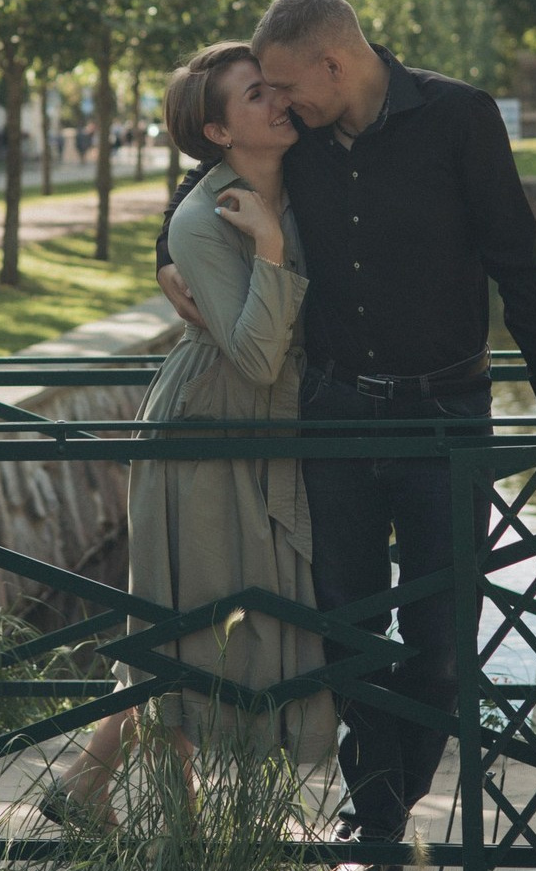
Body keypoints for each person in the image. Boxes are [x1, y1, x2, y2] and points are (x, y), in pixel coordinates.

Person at [156, 0, 536, 871]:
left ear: (335, 64)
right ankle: (374, 833)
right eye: (272, 95)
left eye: (289, 87)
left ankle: (385, 804)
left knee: (444, 644)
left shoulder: (460, 118)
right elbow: (201, 185)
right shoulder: (303, 146)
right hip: (332, 418)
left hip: (447, 421)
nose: (281, 106)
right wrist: (162, 259)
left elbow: (516, 258)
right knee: (349, 633)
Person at [41, 42, 335, 829]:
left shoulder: (303, 176)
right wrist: (268, 250)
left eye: (275, 86)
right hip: (208, 423)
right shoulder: (207, 220)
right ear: (218, 132)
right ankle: (182, 827)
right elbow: (256, 356)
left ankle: (89, 786)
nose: (278, 101)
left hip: (265, 423)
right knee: (184, 620)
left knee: (190, 620)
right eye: (254, 96)